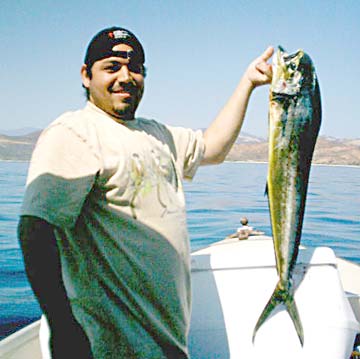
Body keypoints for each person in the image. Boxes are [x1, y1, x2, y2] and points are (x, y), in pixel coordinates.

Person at [18, 26, 273, 358]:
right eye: (111, 67)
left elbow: (213, 148)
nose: (126, 77)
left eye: (134, 68)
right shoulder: (74, 133)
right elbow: (35, 230)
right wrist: (64, 328)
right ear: (86, 75)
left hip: (167, 344)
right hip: (111, 348)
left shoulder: (157, 134)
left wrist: (248, 83)